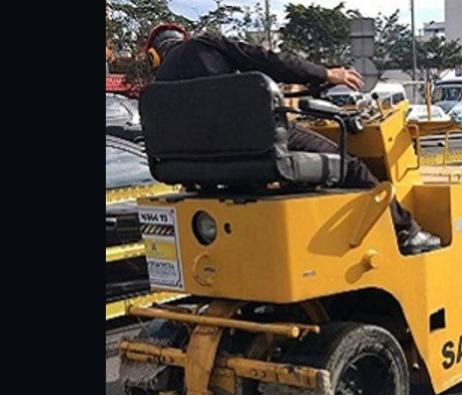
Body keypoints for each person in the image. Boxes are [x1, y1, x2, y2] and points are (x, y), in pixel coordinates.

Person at [144, 24, 441, 254]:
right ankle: (407, 231)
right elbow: (266, 59)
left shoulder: (160, 86)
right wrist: (326, 73)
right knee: (351, 167)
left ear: (154, 56)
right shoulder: (204, 44)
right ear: (183, 38)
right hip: (256, 142)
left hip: (211, 169)